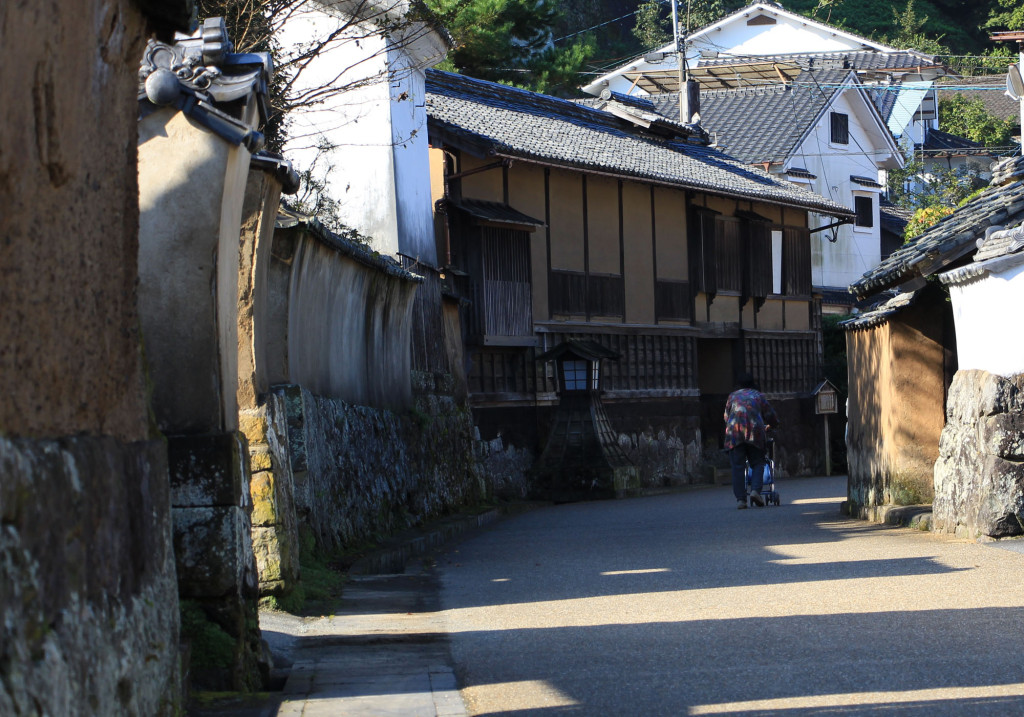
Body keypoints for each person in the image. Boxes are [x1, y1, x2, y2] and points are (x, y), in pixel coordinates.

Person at [724, 373, 779, 509]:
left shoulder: (732, 396)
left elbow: (726, 417)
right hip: (755, 432)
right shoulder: (758, 396)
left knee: (738, 467)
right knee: (758, 463)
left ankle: (741, 500)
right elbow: (770, 415)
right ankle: (755, 491)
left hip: (735, 433)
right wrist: (773, 425)